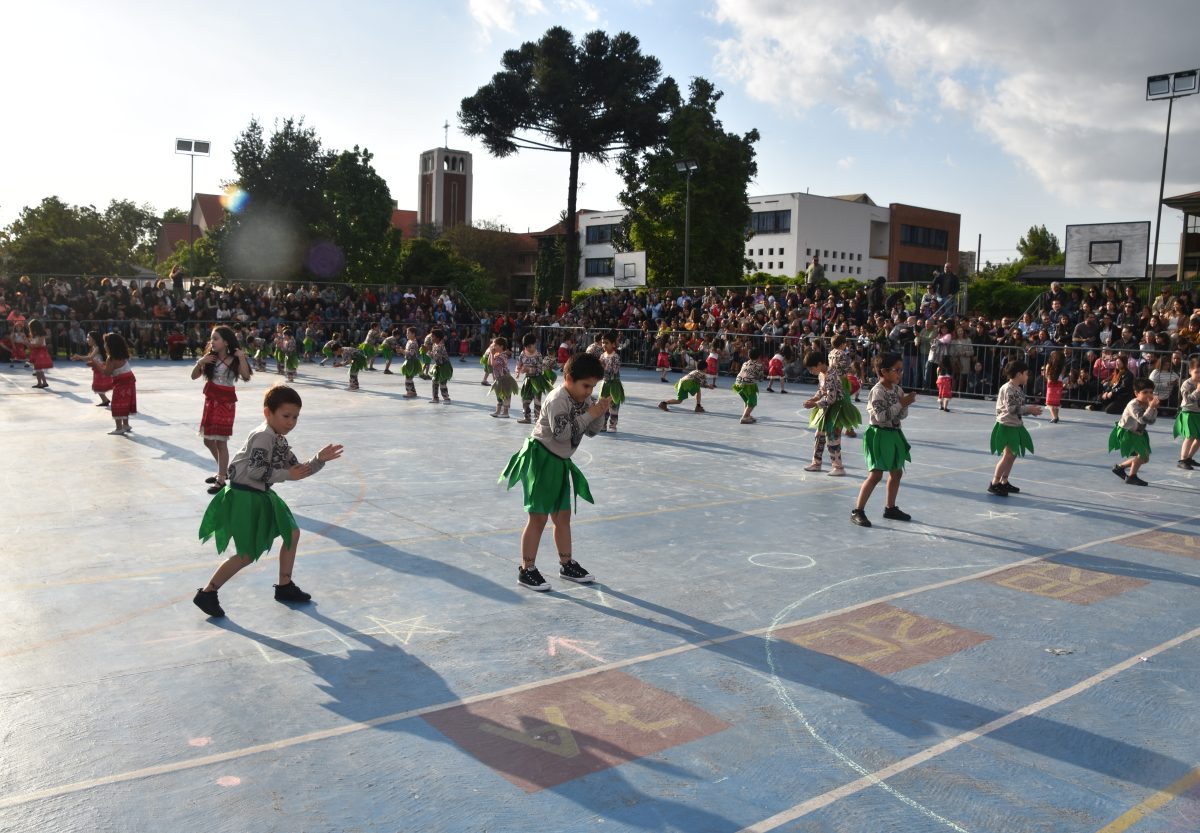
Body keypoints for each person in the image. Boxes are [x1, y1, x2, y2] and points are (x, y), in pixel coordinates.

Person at [193, 384, 344, 617]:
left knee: (292, 533)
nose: (291, 422)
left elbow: (297, 470)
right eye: (286, 416)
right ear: (268, 413)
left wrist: (318, 460)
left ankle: (285, 586)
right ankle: (208, 592)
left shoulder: (278, 439)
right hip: (244, 496)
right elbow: (256, 471)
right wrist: (287, 475)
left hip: (259, 494)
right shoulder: (264, 436)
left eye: (295, 417)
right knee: (246, 553)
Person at [499, 352, 611, 592]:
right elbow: (562, 434)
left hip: (559, 461)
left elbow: (592, 431)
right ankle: (527, 569)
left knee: (562, 517)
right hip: (541, 459)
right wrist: (591, 414)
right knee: (538, 517)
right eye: (586, 386)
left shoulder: (584, 400)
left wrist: (600, 412)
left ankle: (566, 564)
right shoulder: (557, 399)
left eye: (593, 387)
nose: (589, 391)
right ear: (569, 378)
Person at [850, 352, 916, 527]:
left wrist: (905, 405)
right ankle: (858, 510)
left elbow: (900, 416)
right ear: (884, 371)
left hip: (893, 434)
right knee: (876, 474)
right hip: (878, 435)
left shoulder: (897, 390)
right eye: (897, 370)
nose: (900, 374)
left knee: (896, 472)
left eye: (901, 370)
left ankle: (890, 508)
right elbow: (881, 416)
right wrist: (902, 403)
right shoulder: (877, 391)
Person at [191, 325, 252, 495]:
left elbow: (246, 376)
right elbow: (193, 376)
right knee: (208, 440)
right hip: (211, 402)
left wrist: (242, 358)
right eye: (212, 338)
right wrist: (201, 362)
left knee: (220, 442)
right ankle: (223, 471)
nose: (212, 341)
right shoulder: (210, 359)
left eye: (216, 338)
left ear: (226, 342)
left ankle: (221, 478)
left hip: (225, 404)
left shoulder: (234, 360)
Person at [803, 345, 860, 475]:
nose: (811, 371)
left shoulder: (831, 375)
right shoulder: (821, 374)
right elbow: (822, 390)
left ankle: (838, 467)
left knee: (833, 437)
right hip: (826, 407)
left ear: (819, 364)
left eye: (811, 368)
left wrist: (815, 404)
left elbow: (832, 398)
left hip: (837, 408)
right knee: (819, 435)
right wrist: (815, 398)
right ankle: (816, 463)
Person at [989, 360, 1042, 496]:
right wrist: (1028, 409)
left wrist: (1030, 411)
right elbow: (1011, 408)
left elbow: (1019, 409)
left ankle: (1004, 481)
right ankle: (994, 483)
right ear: (1018, 374)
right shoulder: (1008, 389)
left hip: (1015, 425)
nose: (1027, 377)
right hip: (1006, 425)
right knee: (1007, 455)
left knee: (1013, 455)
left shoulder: (1017, 389)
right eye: (1026, 374)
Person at [1109, 379, 1159, 487]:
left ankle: (1119, 468)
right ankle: (1132, 476)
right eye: (1145, 392)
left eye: (1151, 392)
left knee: (1145, 458)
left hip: (1138, 432)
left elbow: (1151, 421)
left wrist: (1154, 408)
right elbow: (1142, 420)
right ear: (1136, 393)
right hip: (1127, 433)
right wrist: (1151, 407)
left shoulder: (1147, 404)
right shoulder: (1133, 405)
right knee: (1142, 455)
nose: (1149, 395)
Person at [102, 332, 136, 435]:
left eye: (105, 343)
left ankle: (119, 428)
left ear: (110, 345)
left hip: (121, 382)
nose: (104, 345)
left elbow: (107, 373)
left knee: (117, 404)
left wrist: (96, 365)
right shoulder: (122, 355)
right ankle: (126, 424)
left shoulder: (111, 358)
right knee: (125, 402)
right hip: (130, 380)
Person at [70, 330, 112, 408]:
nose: (87, 339)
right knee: (97, 385)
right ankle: (105, 400)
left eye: (89, 338)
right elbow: (90, 358)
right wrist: (79, 358)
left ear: (94, 339)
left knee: (98, 385)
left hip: (100, 368)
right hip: (96, 368)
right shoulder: (94, 347)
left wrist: (79, 357)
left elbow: (90, 357)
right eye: (87, 337)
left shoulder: (97, 348)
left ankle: (105, 400)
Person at [1172, 357, 1200, 469]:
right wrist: (1197, 391)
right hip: (1189, 413)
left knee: (1199, 437)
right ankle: (1182, 459)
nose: (1199, 375)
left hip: (1198, 413)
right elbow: (1188, 400)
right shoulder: (1187, 384)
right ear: (1190, 371)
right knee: (1190, 436)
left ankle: (1189, 458)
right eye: (1196, 372)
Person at [515, 333, 546, 424]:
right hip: (528, 380)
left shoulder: (538, 355)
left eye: (530, 346)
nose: (528, 349)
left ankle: (537, 419)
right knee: (525, 399)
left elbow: (540, 369)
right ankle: (527, 417)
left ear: (535, 344)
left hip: (537, 379)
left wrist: (529, 369)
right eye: (526, 347)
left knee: (537, 400)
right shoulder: (523, 354)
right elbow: (519, 364)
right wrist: (518, 371)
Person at [598, 330, 624, 432]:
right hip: (605, 383)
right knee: (604, 404)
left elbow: (614, 370)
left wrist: (604, 367)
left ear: (613, 344)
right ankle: (603, 424)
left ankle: (613, 425)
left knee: (614, 404)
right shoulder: (602, 355)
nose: (604, 345)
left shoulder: (616, 357)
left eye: (607, 343)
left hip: (614, 384)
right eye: (603, 342)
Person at [732, 347, 766, 424]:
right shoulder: (759, 365)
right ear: (759, 357)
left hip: (738, 384)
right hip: (748, 385)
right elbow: (760, 378)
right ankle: (744, 417)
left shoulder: (745, 363)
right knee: (752, 401)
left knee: (747, 400)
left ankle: (747, 415)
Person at [489, 336, 518, 418]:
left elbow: (493, 364)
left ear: (501, 346)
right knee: (499, 395)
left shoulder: (503, 355)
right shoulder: (497, 354)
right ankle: (498, 411)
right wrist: (491, 354)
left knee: (506, 395)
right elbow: (489, 363)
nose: (494, 347)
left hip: (505, 378)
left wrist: (492, 354)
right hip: (499, 379)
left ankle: (505, 412)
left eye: (495, 345)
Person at [428, 328, 452, 402]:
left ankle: (446, 398)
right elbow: (434, 356)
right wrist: (428, 352)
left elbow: (438, 360)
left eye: (433, 336)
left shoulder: (440, 346)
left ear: (438, 338)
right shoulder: (435, 345)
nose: (431, 338)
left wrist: (428, 352)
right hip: (438, 365)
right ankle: (435, 398)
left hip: (444, 366)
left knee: (442, 382)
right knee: (434, 381)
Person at [27, 319, 53, 389]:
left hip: (40, 351)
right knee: (38, 368)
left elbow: (39, 344)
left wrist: (30, 344)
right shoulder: (34, 335)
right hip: (36, 351)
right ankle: (42, 383)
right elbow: (34, 344)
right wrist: (28, 343)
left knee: (38, 368)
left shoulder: (41, 334)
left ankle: (42, 383)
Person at [1043, 350, 1066, 423]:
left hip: (1051, 385)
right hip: (1059, 385)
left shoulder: (1049, 366)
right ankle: (1056, 416)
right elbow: (1062, 375)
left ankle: (1054, 417)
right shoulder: (1062, 367)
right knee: (1056, 402)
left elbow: (1046, 375)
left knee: (1050, 403)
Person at [400, 327, 421, 398]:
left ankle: (410, 392)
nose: (407, 334)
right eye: (407, 333)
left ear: (413, 334)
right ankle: (413, 392)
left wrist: (402, 351)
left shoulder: (413, 343)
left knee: (408, 378)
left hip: (412, 362)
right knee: (409, 377)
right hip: (409, 361)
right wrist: (402, 351)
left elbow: (411, 354)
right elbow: (407, 351)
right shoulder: (409, 341)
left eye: (408, 333)